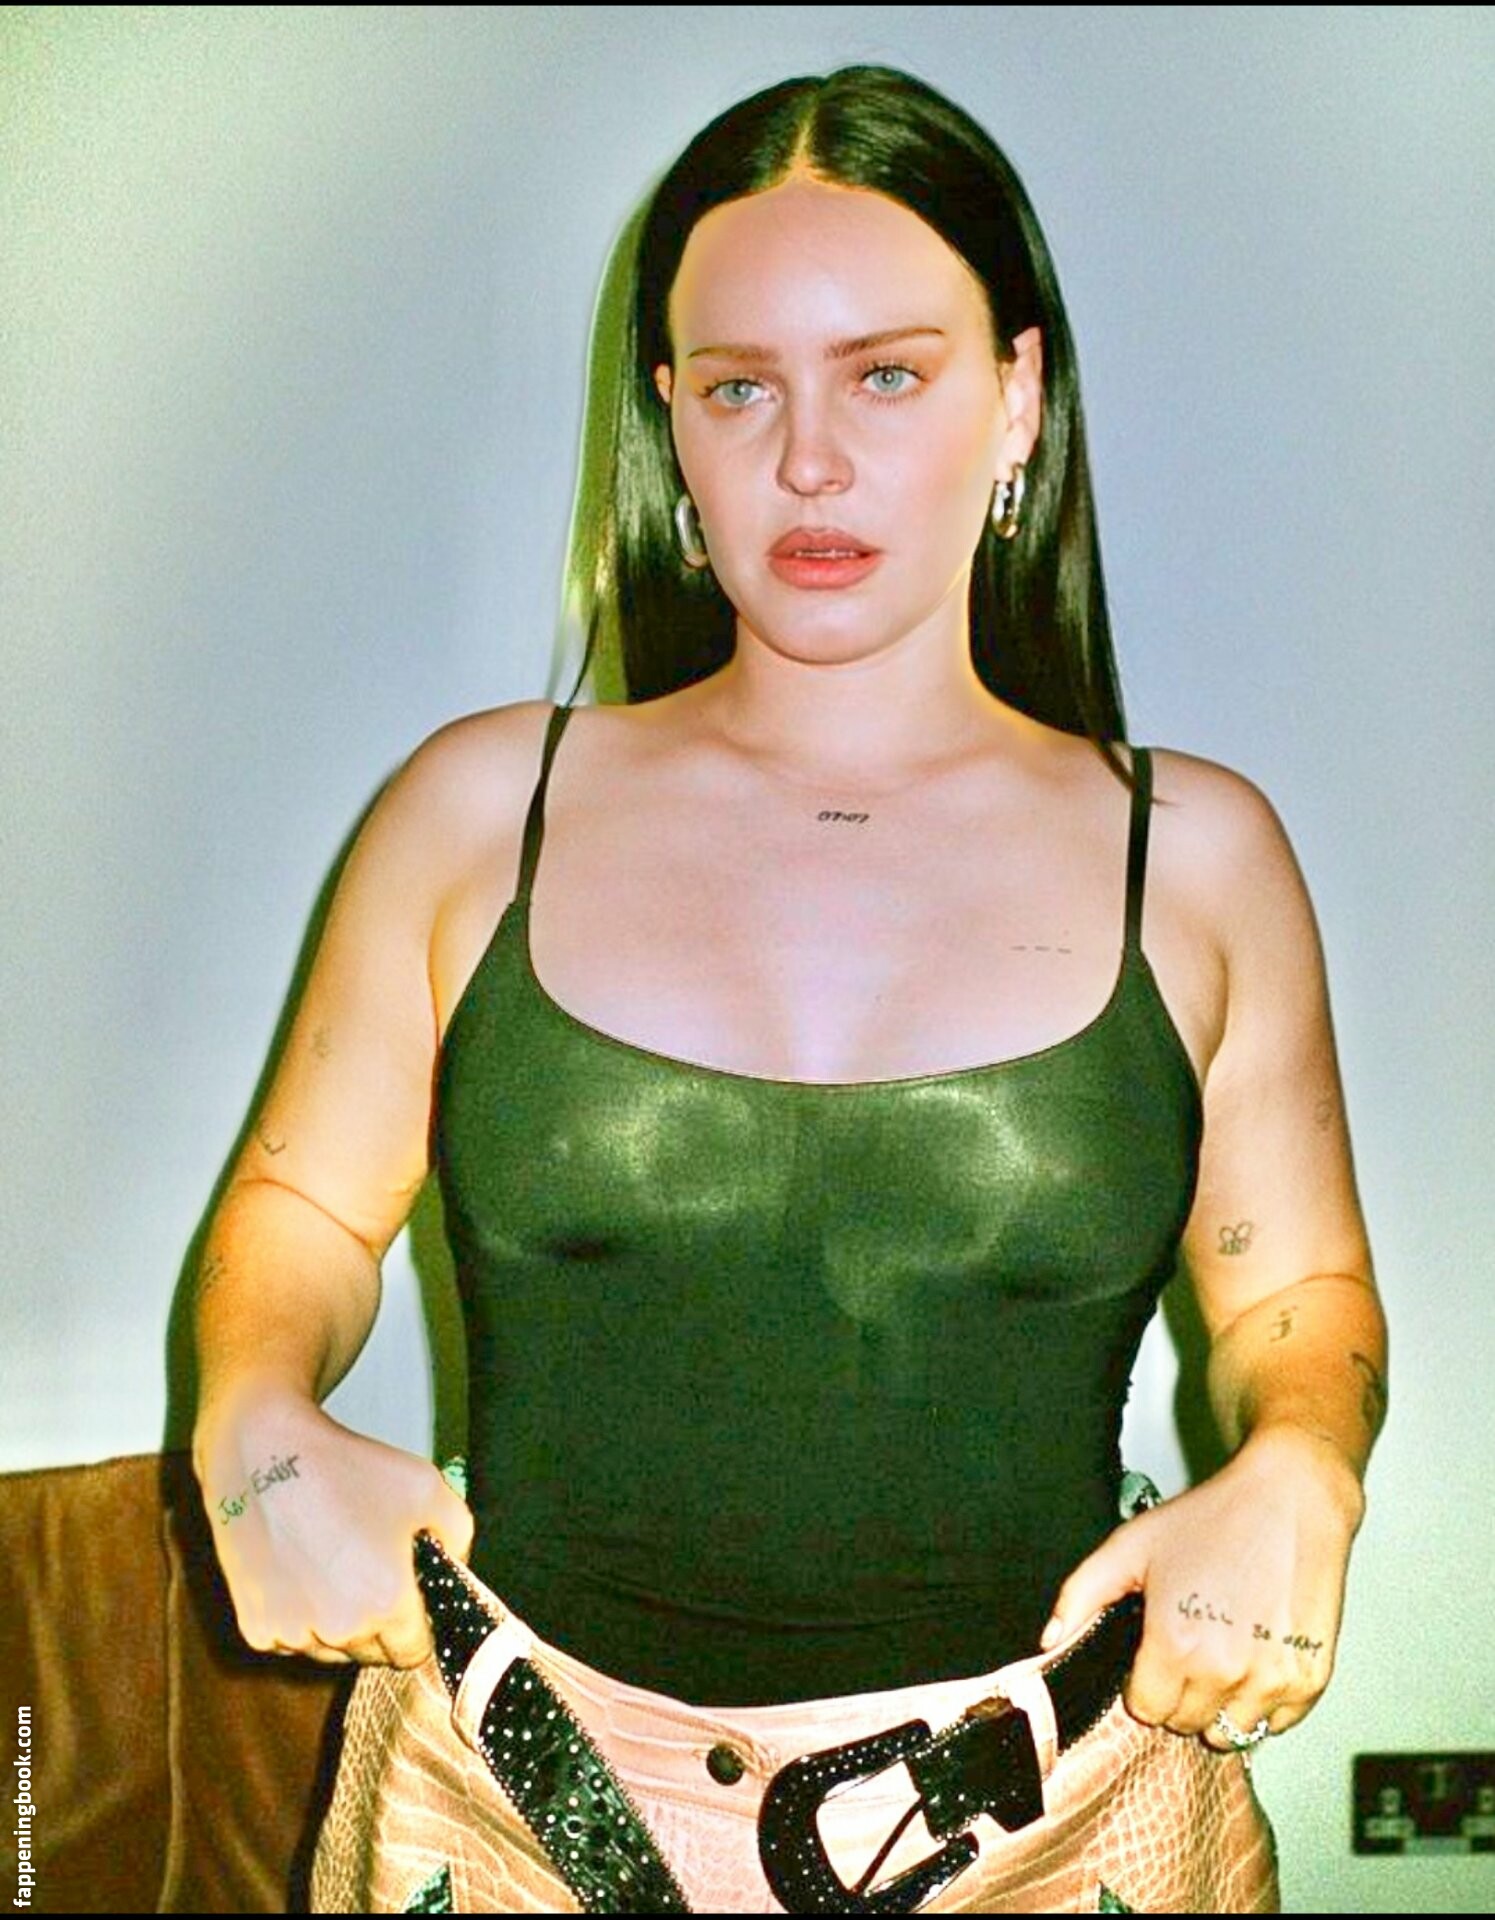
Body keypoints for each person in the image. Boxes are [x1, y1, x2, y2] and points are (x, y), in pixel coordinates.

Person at [191, 64, 1386, 1915]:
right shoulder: (475, 813)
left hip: (1057, 1832)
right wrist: (254, 1416)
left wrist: (1307, 1455)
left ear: (1018, 396)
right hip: (510, 1819)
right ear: (670, 419)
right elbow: (301, 1211)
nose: (808, 461)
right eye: (741, 387)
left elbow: (1295, 1292)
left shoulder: (1200, 860)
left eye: (886, 376)